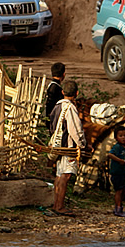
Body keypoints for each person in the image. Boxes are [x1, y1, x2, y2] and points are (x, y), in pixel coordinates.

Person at [48, 79, 85, 216]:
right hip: (68, 147)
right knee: (66, 176)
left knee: (59, 175)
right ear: (76, 93)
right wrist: (82, 145)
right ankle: (60, 206)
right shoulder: (70, 108)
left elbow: (51, 127)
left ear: (63, 92)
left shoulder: (56, 107)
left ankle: (55, 204)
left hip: (57, 146)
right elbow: (75, 129)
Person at [106, 125, 125, 218]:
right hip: (117, 172)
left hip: (124, 172)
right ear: (116, 138)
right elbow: (110, 154)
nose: (123, 137)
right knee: (119, 190)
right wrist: (119, 161)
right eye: (121, 136)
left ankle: (120, 207)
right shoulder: (117, 147)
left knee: (123, 189)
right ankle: (118, 209)